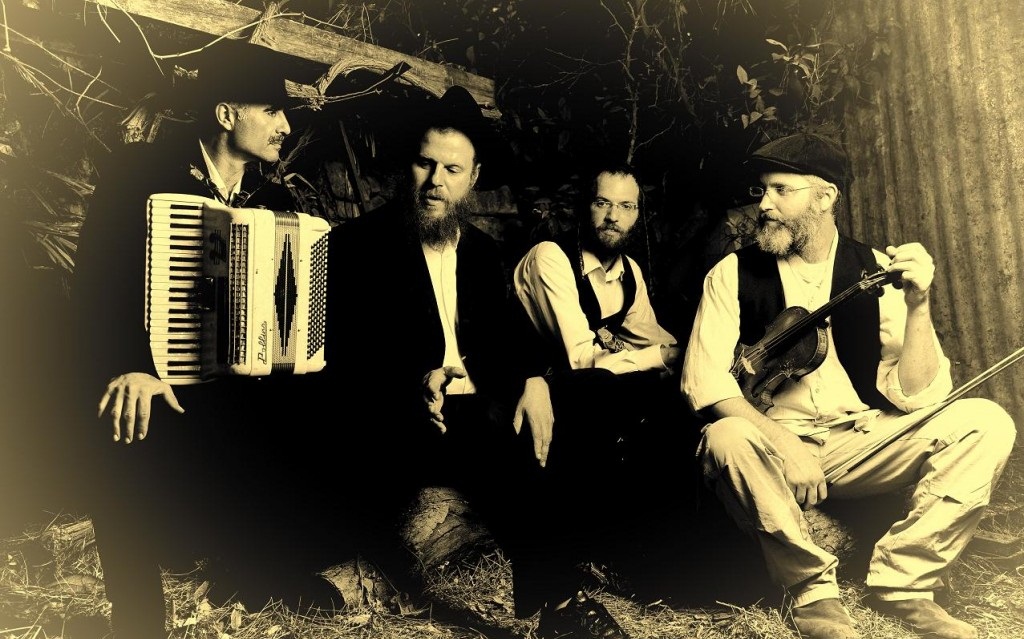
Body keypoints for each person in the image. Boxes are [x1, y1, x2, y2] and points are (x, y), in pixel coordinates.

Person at [680, 132, 1016, 639]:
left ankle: (904, 582)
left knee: (986, 422)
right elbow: (703, 385)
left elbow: (920, 395)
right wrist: (786, 443)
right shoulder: (732, 272)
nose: (764, 204)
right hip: (775, 452)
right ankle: (812, 592)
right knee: (725, 437)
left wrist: (918, 303)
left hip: (860, 443)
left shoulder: (874, 268)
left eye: (781, 190)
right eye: (762, 190)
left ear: (825, 197)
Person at [327, 86, 632, 639]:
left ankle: (601, 552)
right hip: (408, 415)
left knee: (596, 393)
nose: (435, 181)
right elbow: (344, 352)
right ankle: (563, 605)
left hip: (479, 402)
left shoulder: (482, 251)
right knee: (500, 434)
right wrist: (416, 379)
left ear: (473, 177)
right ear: (408, 166)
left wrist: (534, 380)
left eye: (452, 169)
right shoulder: (357, 244)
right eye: (425, 164)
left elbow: (511, 336)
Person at [70, 40, 339, 639]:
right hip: (153, 372)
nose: (285, 126)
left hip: (237, 386)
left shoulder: (271, 201)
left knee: (313, 407)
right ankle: (137, 613)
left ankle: (264, 568)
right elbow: (94, 285)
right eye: (271, 111)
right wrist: (132, 365)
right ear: (225, 114)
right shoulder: (140, 175)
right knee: (126, 413)